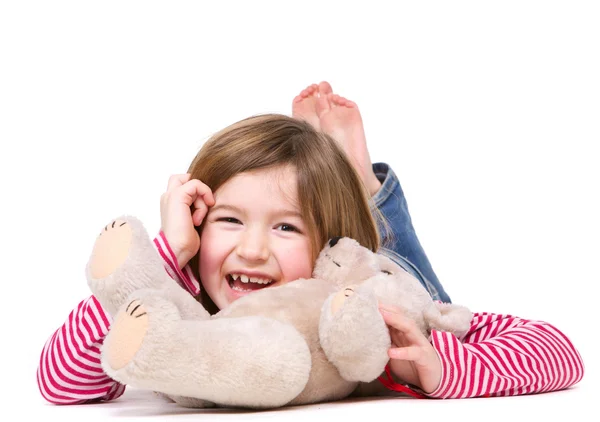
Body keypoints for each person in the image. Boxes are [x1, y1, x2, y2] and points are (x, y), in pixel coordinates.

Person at [37, 81, 584, 404]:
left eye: (286, 227)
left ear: (324, 249)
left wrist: (440, 365)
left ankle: (363, 187)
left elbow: (561, 353)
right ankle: (342, 175)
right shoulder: (178, 293)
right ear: (197, 224)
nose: (252, 250)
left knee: (395, 262)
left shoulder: (364, 306)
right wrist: (164, 256)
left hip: (367, 267)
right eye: (228, 220)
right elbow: (59, 381)